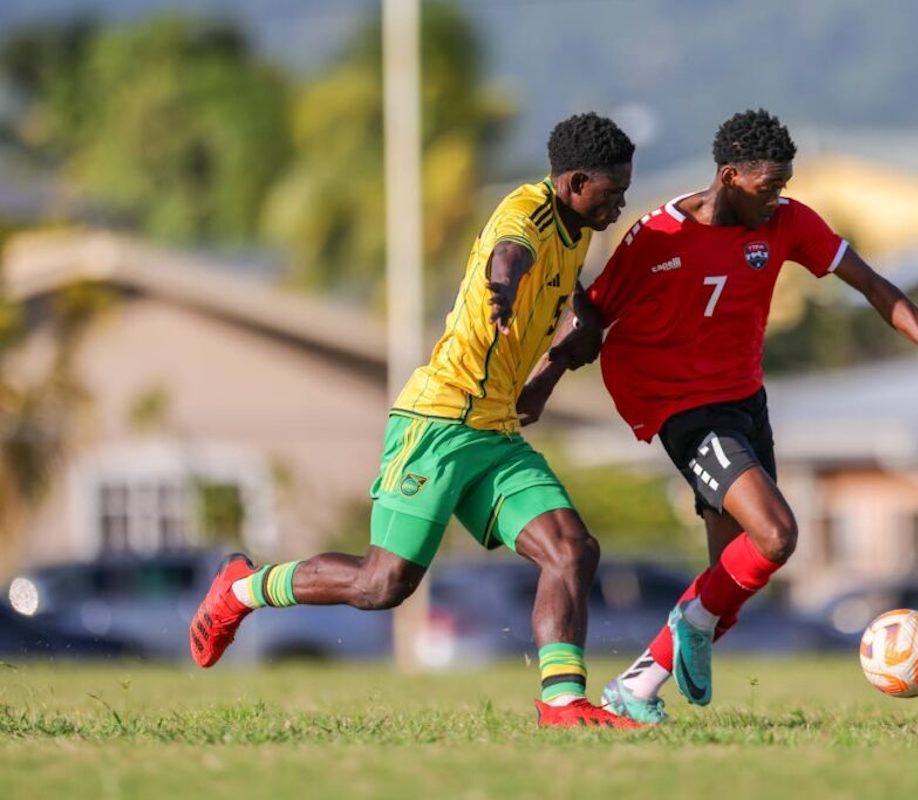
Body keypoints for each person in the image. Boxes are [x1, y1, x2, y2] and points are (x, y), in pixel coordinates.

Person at [520, 109, 918, 723]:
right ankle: (685, 632)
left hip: (744, 401)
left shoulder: (788, 224)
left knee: (732, 574)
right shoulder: (657, 236)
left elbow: (869, 283)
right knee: (777, 535)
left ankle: (638, 686)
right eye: (768, 188)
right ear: (730, 176)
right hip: (681, 407)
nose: (777, 200)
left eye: (784, 186)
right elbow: (592, 316)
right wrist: (543, 383)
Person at [189, 112, 641, 729]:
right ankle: (241, 587)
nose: (620, 204)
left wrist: (553, 365)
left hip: (496, 433)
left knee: (571, 550)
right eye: (612, 192)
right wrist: (502, 287)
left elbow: (567, 299)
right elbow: (508, 254)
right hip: (439, 422)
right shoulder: (529, 212)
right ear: (575, 182)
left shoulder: (578, 229)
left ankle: (563, 705)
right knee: (383, 586)